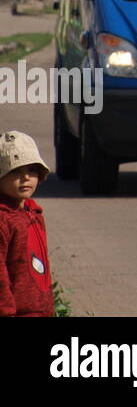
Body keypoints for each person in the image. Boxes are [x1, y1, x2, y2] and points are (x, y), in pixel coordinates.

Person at [0, 131, 54, 317]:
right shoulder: (3, 220)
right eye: (15, 171)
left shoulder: (33, 212)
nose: (26, 178)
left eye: (31, 170)